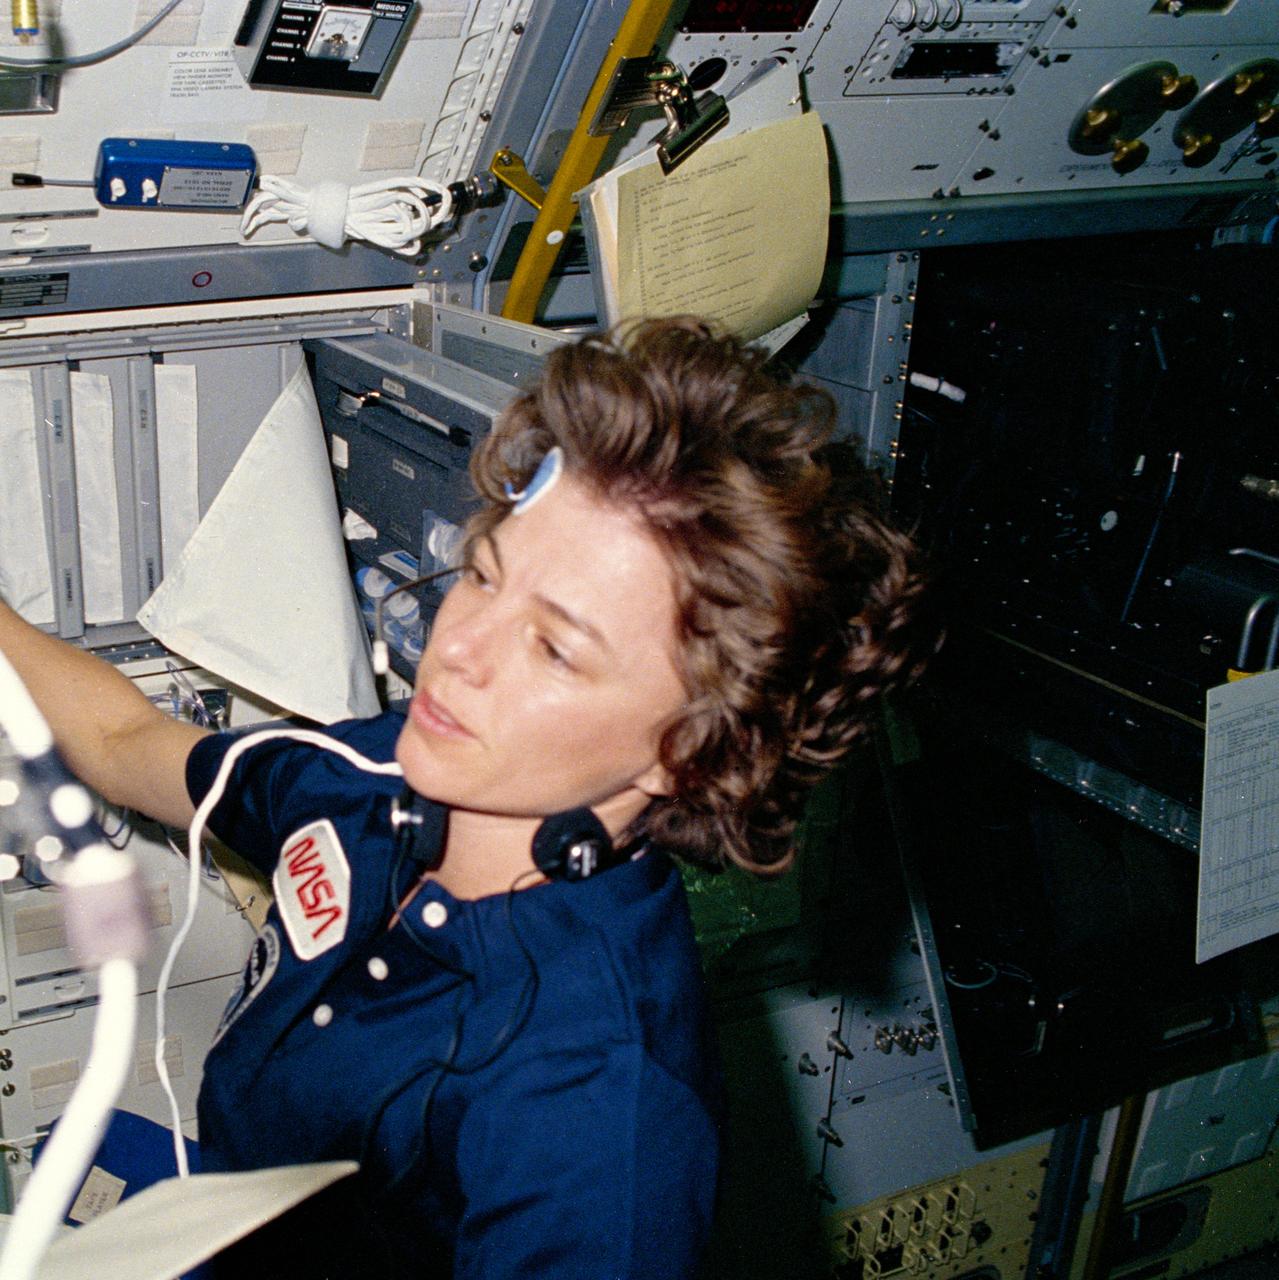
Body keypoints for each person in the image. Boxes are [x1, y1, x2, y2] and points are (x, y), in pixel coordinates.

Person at [0, 317, 933, 1278]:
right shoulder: (378, 774)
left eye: (555, 648)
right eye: (485, 576)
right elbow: (128, 742)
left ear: (691, 753)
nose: (457, 649)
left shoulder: (598, 1113)